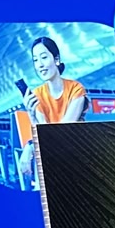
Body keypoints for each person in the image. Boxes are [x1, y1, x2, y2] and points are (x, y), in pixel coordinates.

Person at [17, 36, 84, 184]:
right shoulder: (37, 95)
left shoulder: (76, 89)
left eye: (44, 57)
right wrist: (31, 115)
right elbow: (43, 135)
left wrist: (29, 146)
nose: (40, 65)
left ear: (56, 59)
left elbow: (61, 132)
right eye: (35, 60)